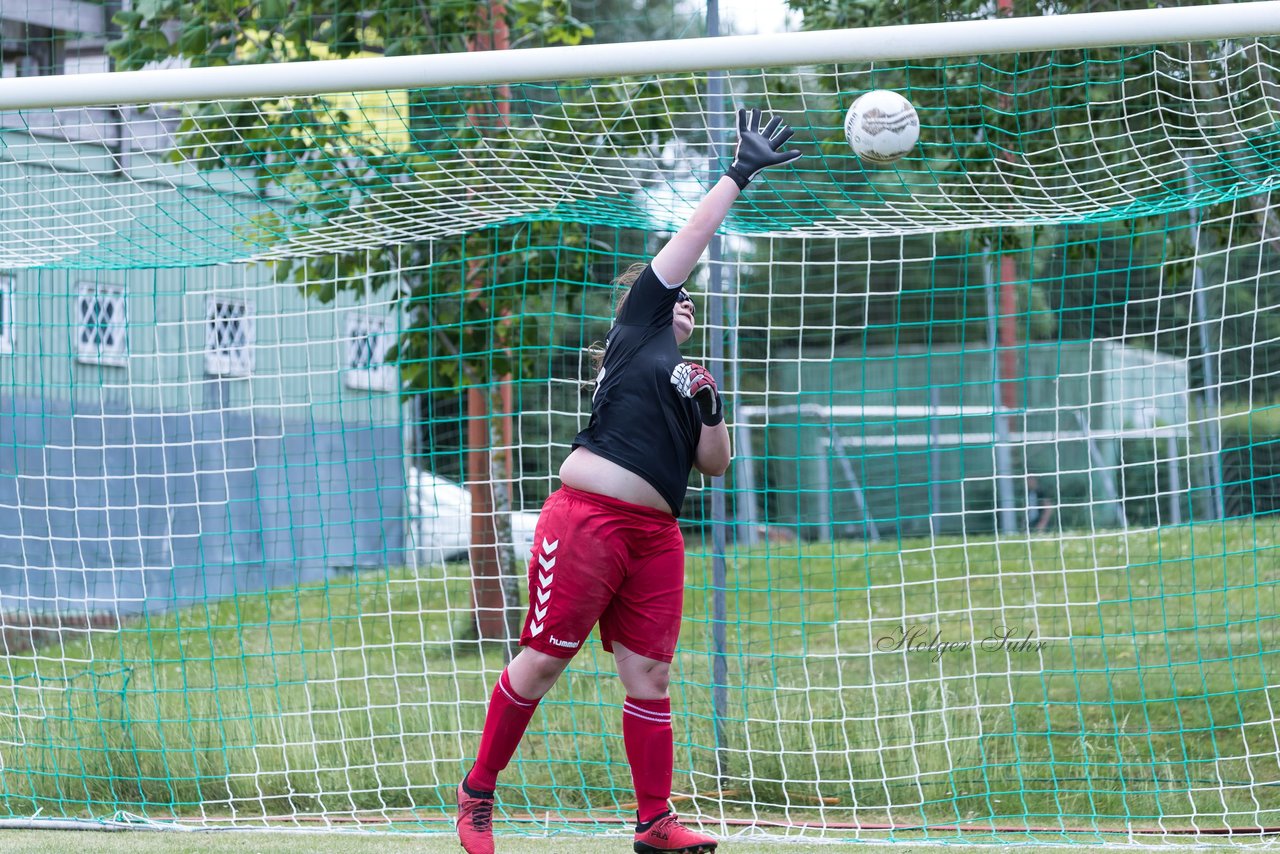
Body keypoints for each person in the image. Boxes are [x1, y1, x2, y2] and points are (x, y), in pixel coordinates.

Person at [456, 108, 801, 854]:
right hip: (586, 520)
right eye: (675, 293)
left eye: (688, 303)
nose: (685, 301)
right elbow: (692, 242)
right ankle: (477, 794)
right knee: (543, 663)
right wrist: (738, 173)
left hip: (655, 537)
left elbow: (715, 465)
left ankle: (655, 824)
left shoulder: (685, 373)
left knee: (650, 676)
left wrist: (710, 408)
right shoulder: (636, 331)